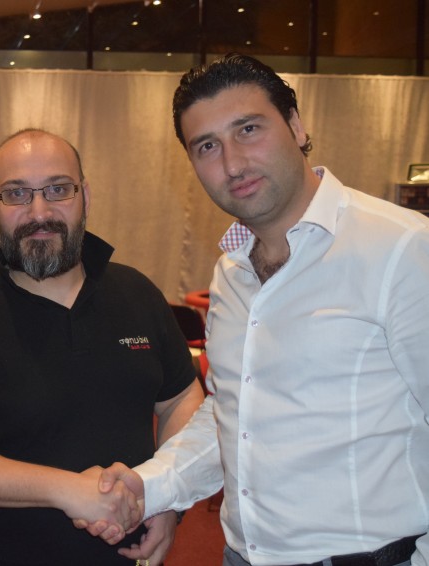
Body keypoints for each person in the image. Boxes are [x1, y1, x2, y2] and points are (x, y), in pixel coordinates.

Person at [89, 53, 429, 566]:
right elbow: (234, 413)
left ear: (296, 125)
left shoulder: (401, 248)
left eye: (248, 129)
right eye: (207, 146)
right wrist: (150, 484)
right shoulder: (232, 272)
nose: (232, 163)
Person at [0, 128, 205, 565]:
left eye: (58, 189)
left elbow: (181, 398)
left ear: (85, 196)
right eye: (16, 194)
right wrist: (67, 490)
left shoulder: (137, 294)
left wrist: (166, 497)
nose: (40, 211)